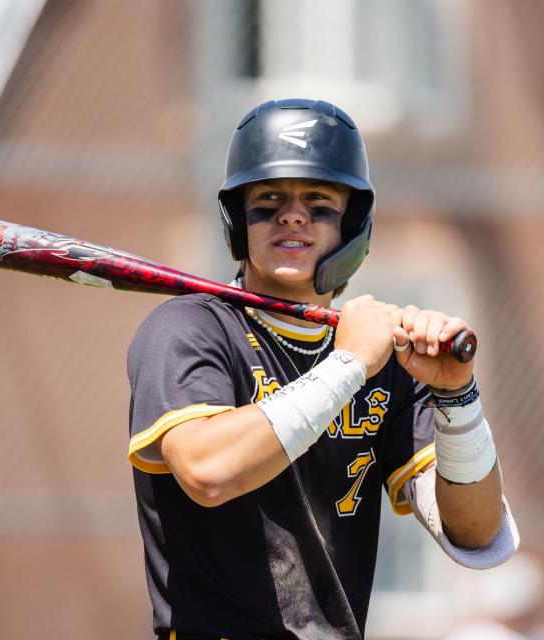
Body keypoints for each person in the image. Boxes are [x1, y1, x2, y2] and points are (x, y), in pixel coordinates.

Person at [127, 98, 519, 640]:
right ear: (238, 220)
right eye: (268, 199)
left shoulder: (390, 362)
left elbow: (477, 534)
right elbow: (208, 472)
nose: (293, 215)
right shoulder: (188, 328)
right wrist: (349, 365)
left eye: (319, 200)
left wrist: (456, 397)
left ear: (354, 224)